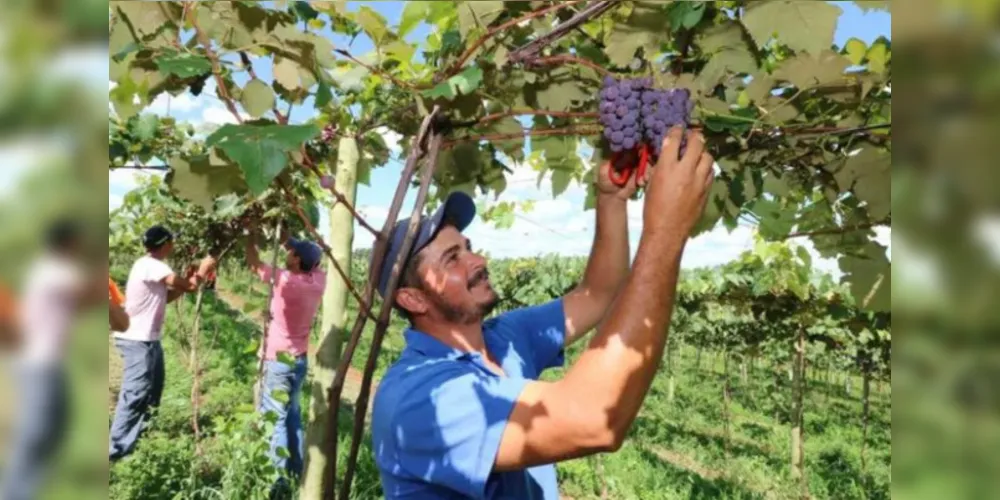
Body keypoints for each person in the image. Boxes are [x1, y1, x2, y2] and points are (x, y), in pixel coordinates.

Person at [370, 127, 715, 499]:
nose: (478, 260)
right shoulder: (423, 397)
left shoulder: (506, 337)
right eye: (453, 258)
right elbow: (593, 419)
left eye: (468, 247)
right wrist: (664, 234)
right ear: (413, 299)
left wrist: (611, 199)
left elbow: (597, 293)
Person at [1, 220, 102, 500]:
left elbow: (82, 303)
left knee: (54, 428)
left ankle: (26, 486)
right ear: (69, 243)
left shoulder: (50, 270)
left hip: (43, 361)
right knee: (38, 433)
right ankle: (13, 493)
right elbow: (88, 293)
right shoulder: (55, 269)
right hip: (39, 362)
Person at [109, 225, 216, 461]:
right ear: (166, 244)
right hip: (137, 339)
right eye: (172, 241)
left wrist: (191, 279)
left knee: (152, 391)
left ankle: (137, 442)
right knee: (136, 394)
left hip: (147, 339)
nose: (174, 245)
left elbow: (165, 297)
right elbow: (188, 286)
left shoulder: (148, 265)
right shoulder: (153, 265)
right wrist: (203, 270)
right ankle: (114, 450)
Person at [245, 231, 326, 495]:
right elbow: (314, 260)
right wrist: (296, 245)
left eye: (292, 252)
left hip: (277, 360)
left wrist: (251, 232)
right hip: (299, 361)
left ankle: (277, 485)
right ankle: (297, 469)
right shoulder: (317, 282)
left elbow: (253, 261)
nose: (287, 253)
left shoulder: (283, 280)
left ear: (295, 259)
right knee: (293, 416)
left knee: (275, 418)